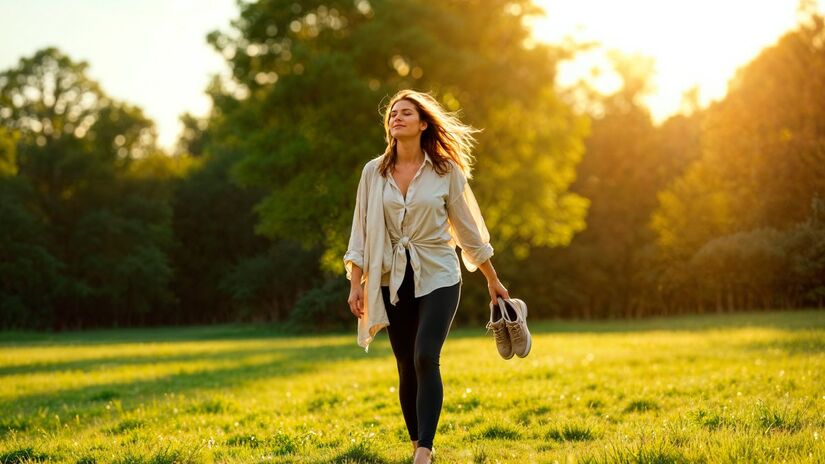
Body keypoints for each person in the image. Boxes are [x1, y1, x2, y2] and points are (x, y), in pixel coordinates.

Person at [343, 89, 509, 464]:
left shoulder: (445, 171)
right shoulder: (374, 172)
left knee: (424, 355)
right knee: (405, 363)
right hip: (391, 278)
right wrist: (356, 282)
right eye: (392, 114)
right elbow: (361, 231)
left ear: (422, 123)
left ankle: (424, 450)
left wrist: (491, 278)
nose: (396, 118)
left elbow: (468, 230)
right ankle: (418, 439)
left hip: (439, 273)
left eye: (405, 113)